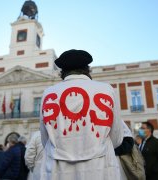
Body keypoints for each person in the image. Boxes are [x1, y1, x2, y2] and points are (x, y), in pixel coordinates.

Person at [40, 49, 124, 179]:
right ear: (87, 69)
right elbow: (117, 137)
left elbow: (45, 138)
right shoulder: (107, 90)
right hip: (100, 168)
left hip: (58, 169)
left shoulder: (48, 93)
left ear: (62, 72)